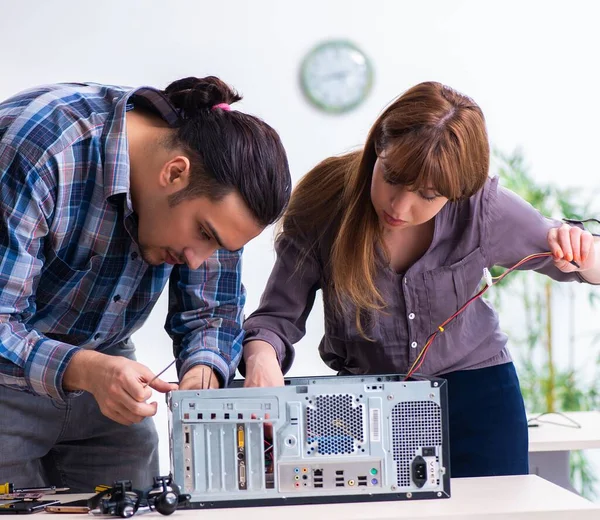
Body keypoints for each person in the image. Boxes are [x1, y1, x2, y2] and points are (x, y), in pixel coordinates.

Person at [241, 81, 599, 478]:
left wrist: (583, 251)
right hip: (365, 410)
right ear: (379, 144)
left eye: (427, 195)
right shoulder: (324, 205)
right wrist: (261, 358)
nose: (399, 206)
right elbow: (275, 320)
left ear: (457, 192)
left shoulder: (483, 208)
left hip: (479, 402)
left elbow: (588, 267)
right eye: (392, 177)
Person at [0, 76, 291, 490]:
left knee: (136, 497)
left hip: (105, 357)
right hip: (7, 372)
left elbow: (212, 313)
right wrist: (86, 370)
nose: (198, 259)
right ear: (175, 173)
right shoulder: (43, 147)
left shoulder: (218, 190)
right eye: (205, 234)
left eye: (221, 246)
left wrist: (202, 371)